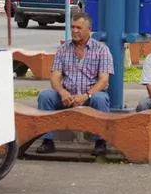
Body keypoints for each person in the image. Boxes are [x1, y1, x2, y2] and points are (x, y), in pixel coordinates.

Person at [35, 12, 113, 156]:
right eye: (72, 27)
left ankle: (101, 142)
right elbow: (55, 76)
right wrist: (62, 92)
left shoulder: (102, 50)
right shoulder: (63, 49)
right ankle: (47, 141)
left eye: (79, 27)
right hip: (67, 96)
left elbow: (104, 80)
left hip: (90, 96)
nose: (75, 31)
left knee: (101, 99)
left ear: (89, 29)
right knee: (45, 96)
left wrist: (86, 95)